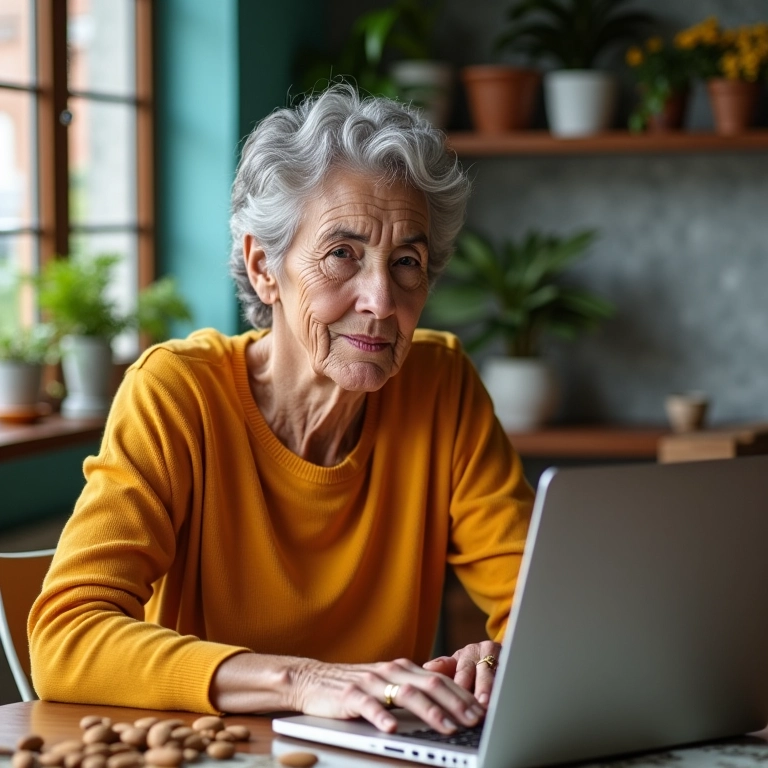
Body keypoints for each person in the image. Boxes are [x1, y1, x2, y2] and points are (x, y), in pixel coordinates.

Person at [29, 84, 534, 735]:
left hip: (377, 753)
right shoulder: (177, 395)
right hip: (214, 752)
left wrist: (502, 656)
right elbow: (66, 638)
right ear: (264, 267)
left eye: (407, 261)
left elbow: (538, 604)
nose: (381, 299)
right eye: (342, 254)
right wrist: (302, 681)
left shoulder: (441, 384)